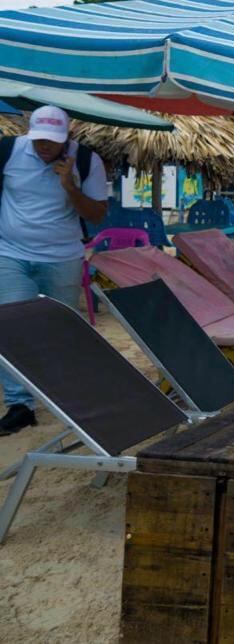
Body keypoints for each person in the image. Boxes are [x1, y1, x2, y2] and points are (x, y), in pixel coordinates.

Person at [0, 105, 106, 434]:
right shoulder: (8, 152)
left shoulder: (88, 161)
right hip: (10, 252)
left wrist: (70, 186)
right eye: (39, 140)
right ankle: (19, 404)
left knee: (61, 329)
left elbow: (98, 215)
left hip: (62, 256)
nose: (44, 146)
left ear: (67, 138)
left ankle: (65, 399)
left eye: (52, 141)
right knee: (11, 327)